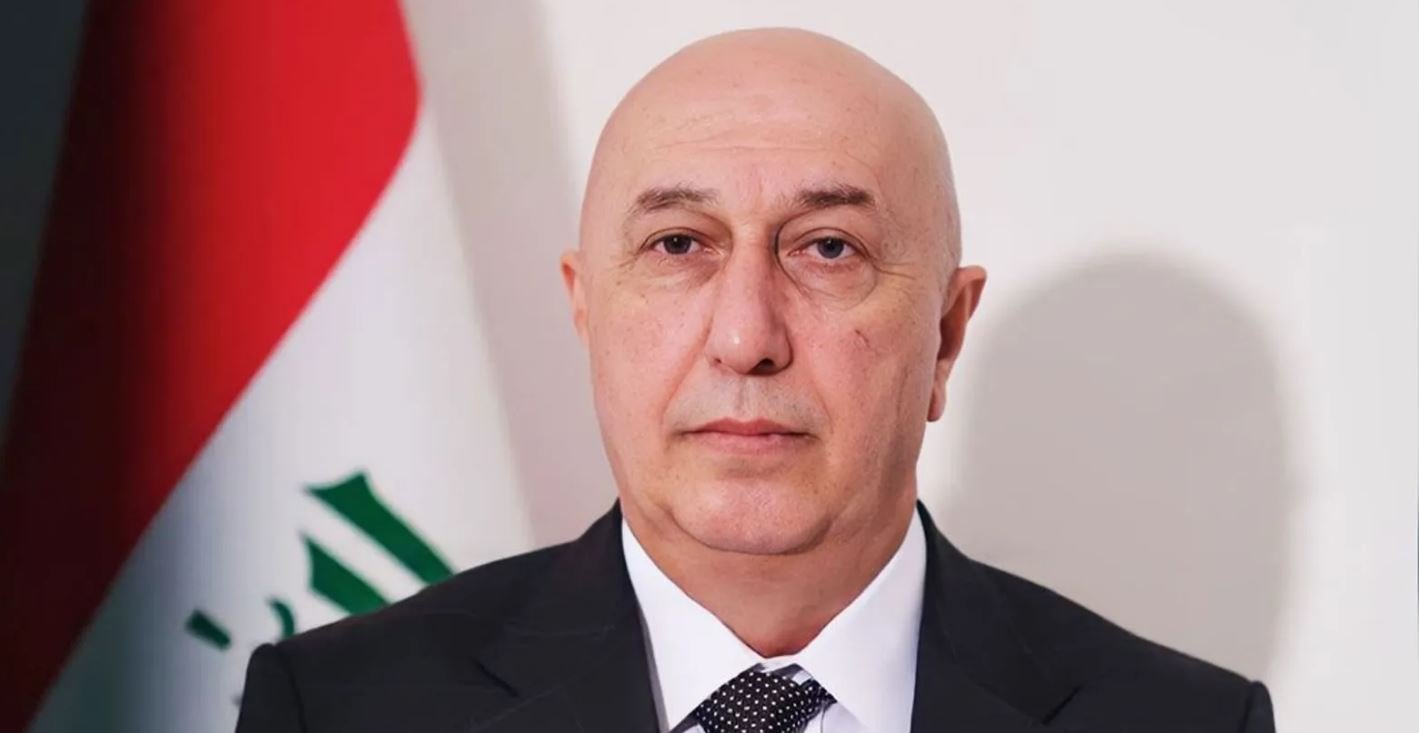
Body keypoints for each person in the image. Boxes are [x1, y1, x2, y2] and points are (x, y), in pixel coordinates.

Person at [236, 28, 1275, 732]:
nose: (745, 338)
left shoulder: (1184, 722)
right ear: (586, 313)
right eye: (679, 244)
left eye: (827, 249)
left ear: (945, 336)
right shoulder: (339, 709)